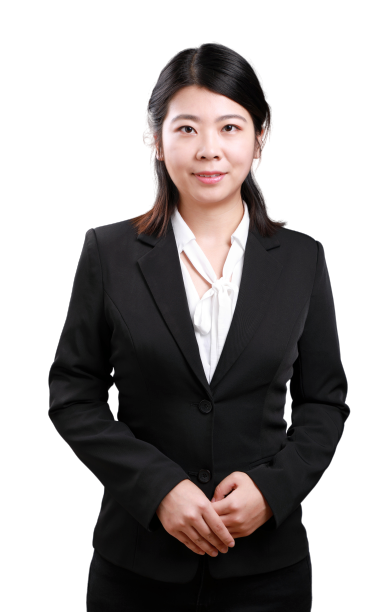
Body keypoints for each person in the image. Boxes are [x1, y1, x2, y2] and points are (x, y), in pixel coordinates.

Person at [48, 41, 349, 611]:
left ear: (260, 139)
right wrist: (157, 488)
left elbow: (325, 402)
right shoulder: (106, 252)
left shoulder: (304, 258)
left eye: (230, 127)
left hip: (269, 572)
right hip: (135, 569)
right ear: (154, 138)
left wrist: (273, 490)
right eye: (187, 128)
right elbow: (72, 393)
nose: (209, 149)